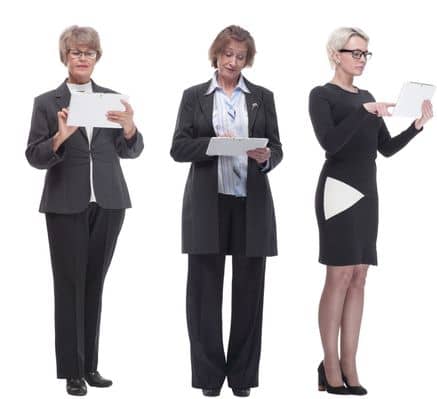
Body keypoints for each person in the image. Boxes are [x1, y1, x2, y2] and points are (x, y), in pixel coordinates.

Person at [308, 26, 433, 396]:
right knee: (338, 276)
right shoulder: (322, 95)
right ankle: (329, 366)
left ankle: (351, 364)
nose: (361, 60)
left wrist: (416, 126)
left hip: (367, 193)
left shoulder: (368, 96)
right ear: (335, 54)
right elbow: (330, 144)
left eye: (365, 54)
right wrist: (364, 113)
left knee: (360, 276)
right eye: (355, 53)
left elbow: (386, 149)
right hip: (338, 191)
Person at [25, 25, 144, 397]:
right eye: (76, 52)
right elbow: (33, 154)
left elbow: (132, 151)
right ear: (66, 56)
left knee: (94, 285)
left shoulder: (111, 99)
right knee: (69, 286)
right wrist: (61, 136)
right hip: (65, 204)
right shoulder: (47, 102)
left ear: (96, 58)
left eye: (88, 53)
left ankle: (90, 365)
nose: (82, 58)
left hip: (109, 203)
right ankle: (72, 371)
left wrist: (129, 129)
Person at [169, 25, 283, 398]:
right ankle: (208, 379)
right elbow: (179, 148)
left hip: (251, 204)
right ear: (215, 54)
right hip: (207, 205)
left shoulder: (263, 97)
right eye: (227, 54)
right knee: (203, 295)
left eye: (240, 56)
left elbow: (277, 148)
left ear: (247, 59)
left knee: (250, 295)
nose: (232, 62)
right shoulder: (194, 97)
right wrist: (216, 144)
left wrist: (266, 157)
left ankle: (242, 379)